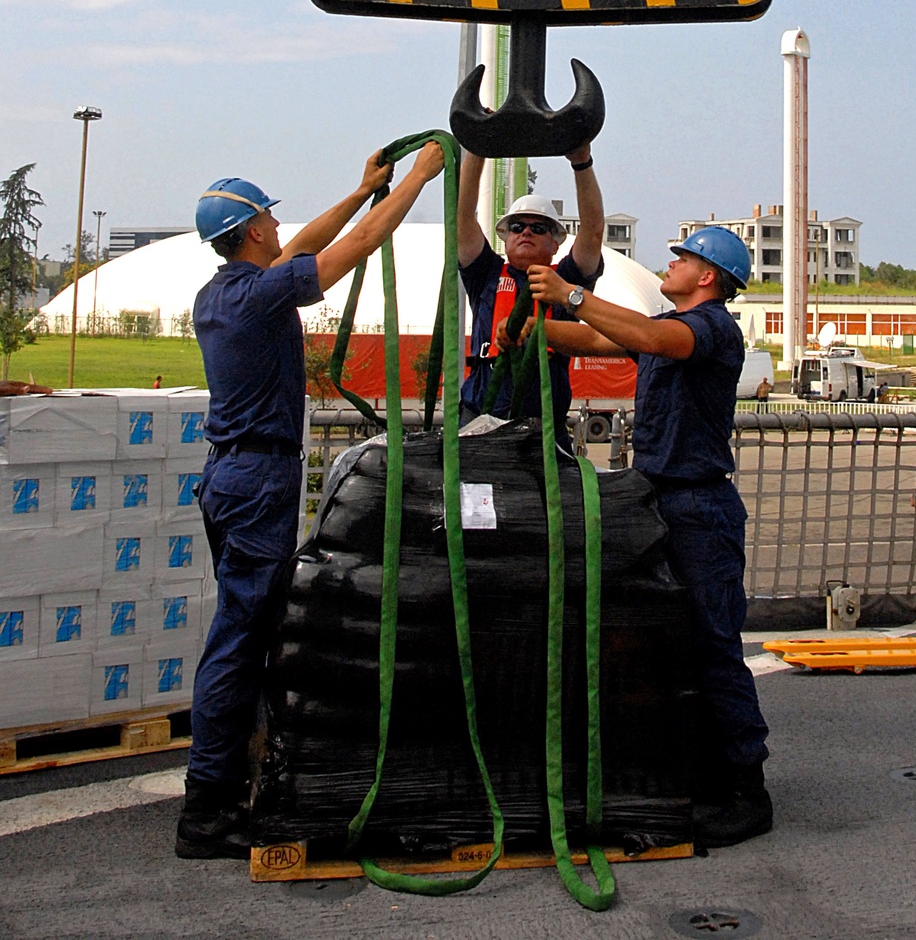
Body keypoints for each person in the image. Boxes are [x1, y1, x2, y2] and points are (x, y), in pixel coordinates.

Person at [175, 144, 444, 861]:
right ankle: (206, 810)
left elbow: (310, 244)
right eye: (268, 215)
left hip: (231, 478)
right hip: (257, 481)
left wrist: (362, 189)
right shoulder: (259, 295)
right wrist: (415, 182)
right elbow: (352, 249)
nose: (276, 224)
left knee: (245, 631)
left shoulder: (226, 291)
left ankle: (233, 780)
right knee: (239, 638)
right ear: (253, 228)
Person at [527, 224, 771, 849]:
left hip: (698, 508)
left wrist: (570, 295)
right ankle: (706, 769)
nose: (673, 262)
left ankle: (748, 790)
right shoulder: (668, 332)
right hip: (659, 501)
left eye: (684, 258)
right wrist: (537, 330)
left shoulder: (710, 328)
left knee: (715, 643)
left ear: (708, 277)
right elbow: (611, 338)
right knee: (673, 642)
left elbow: (649, 335)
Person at [457, 145, 604, 450]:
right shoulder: (486, 274)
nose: (526, 232)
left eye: (538, 228)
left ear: (555, 243)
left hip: (543, 428)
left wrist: (581, 163)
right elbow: (462, 219)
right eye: (517, 226)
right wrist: (477, 148)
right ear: (506, 237)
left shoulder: (565, 282)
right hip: (480, 421)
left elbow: (592, 234)